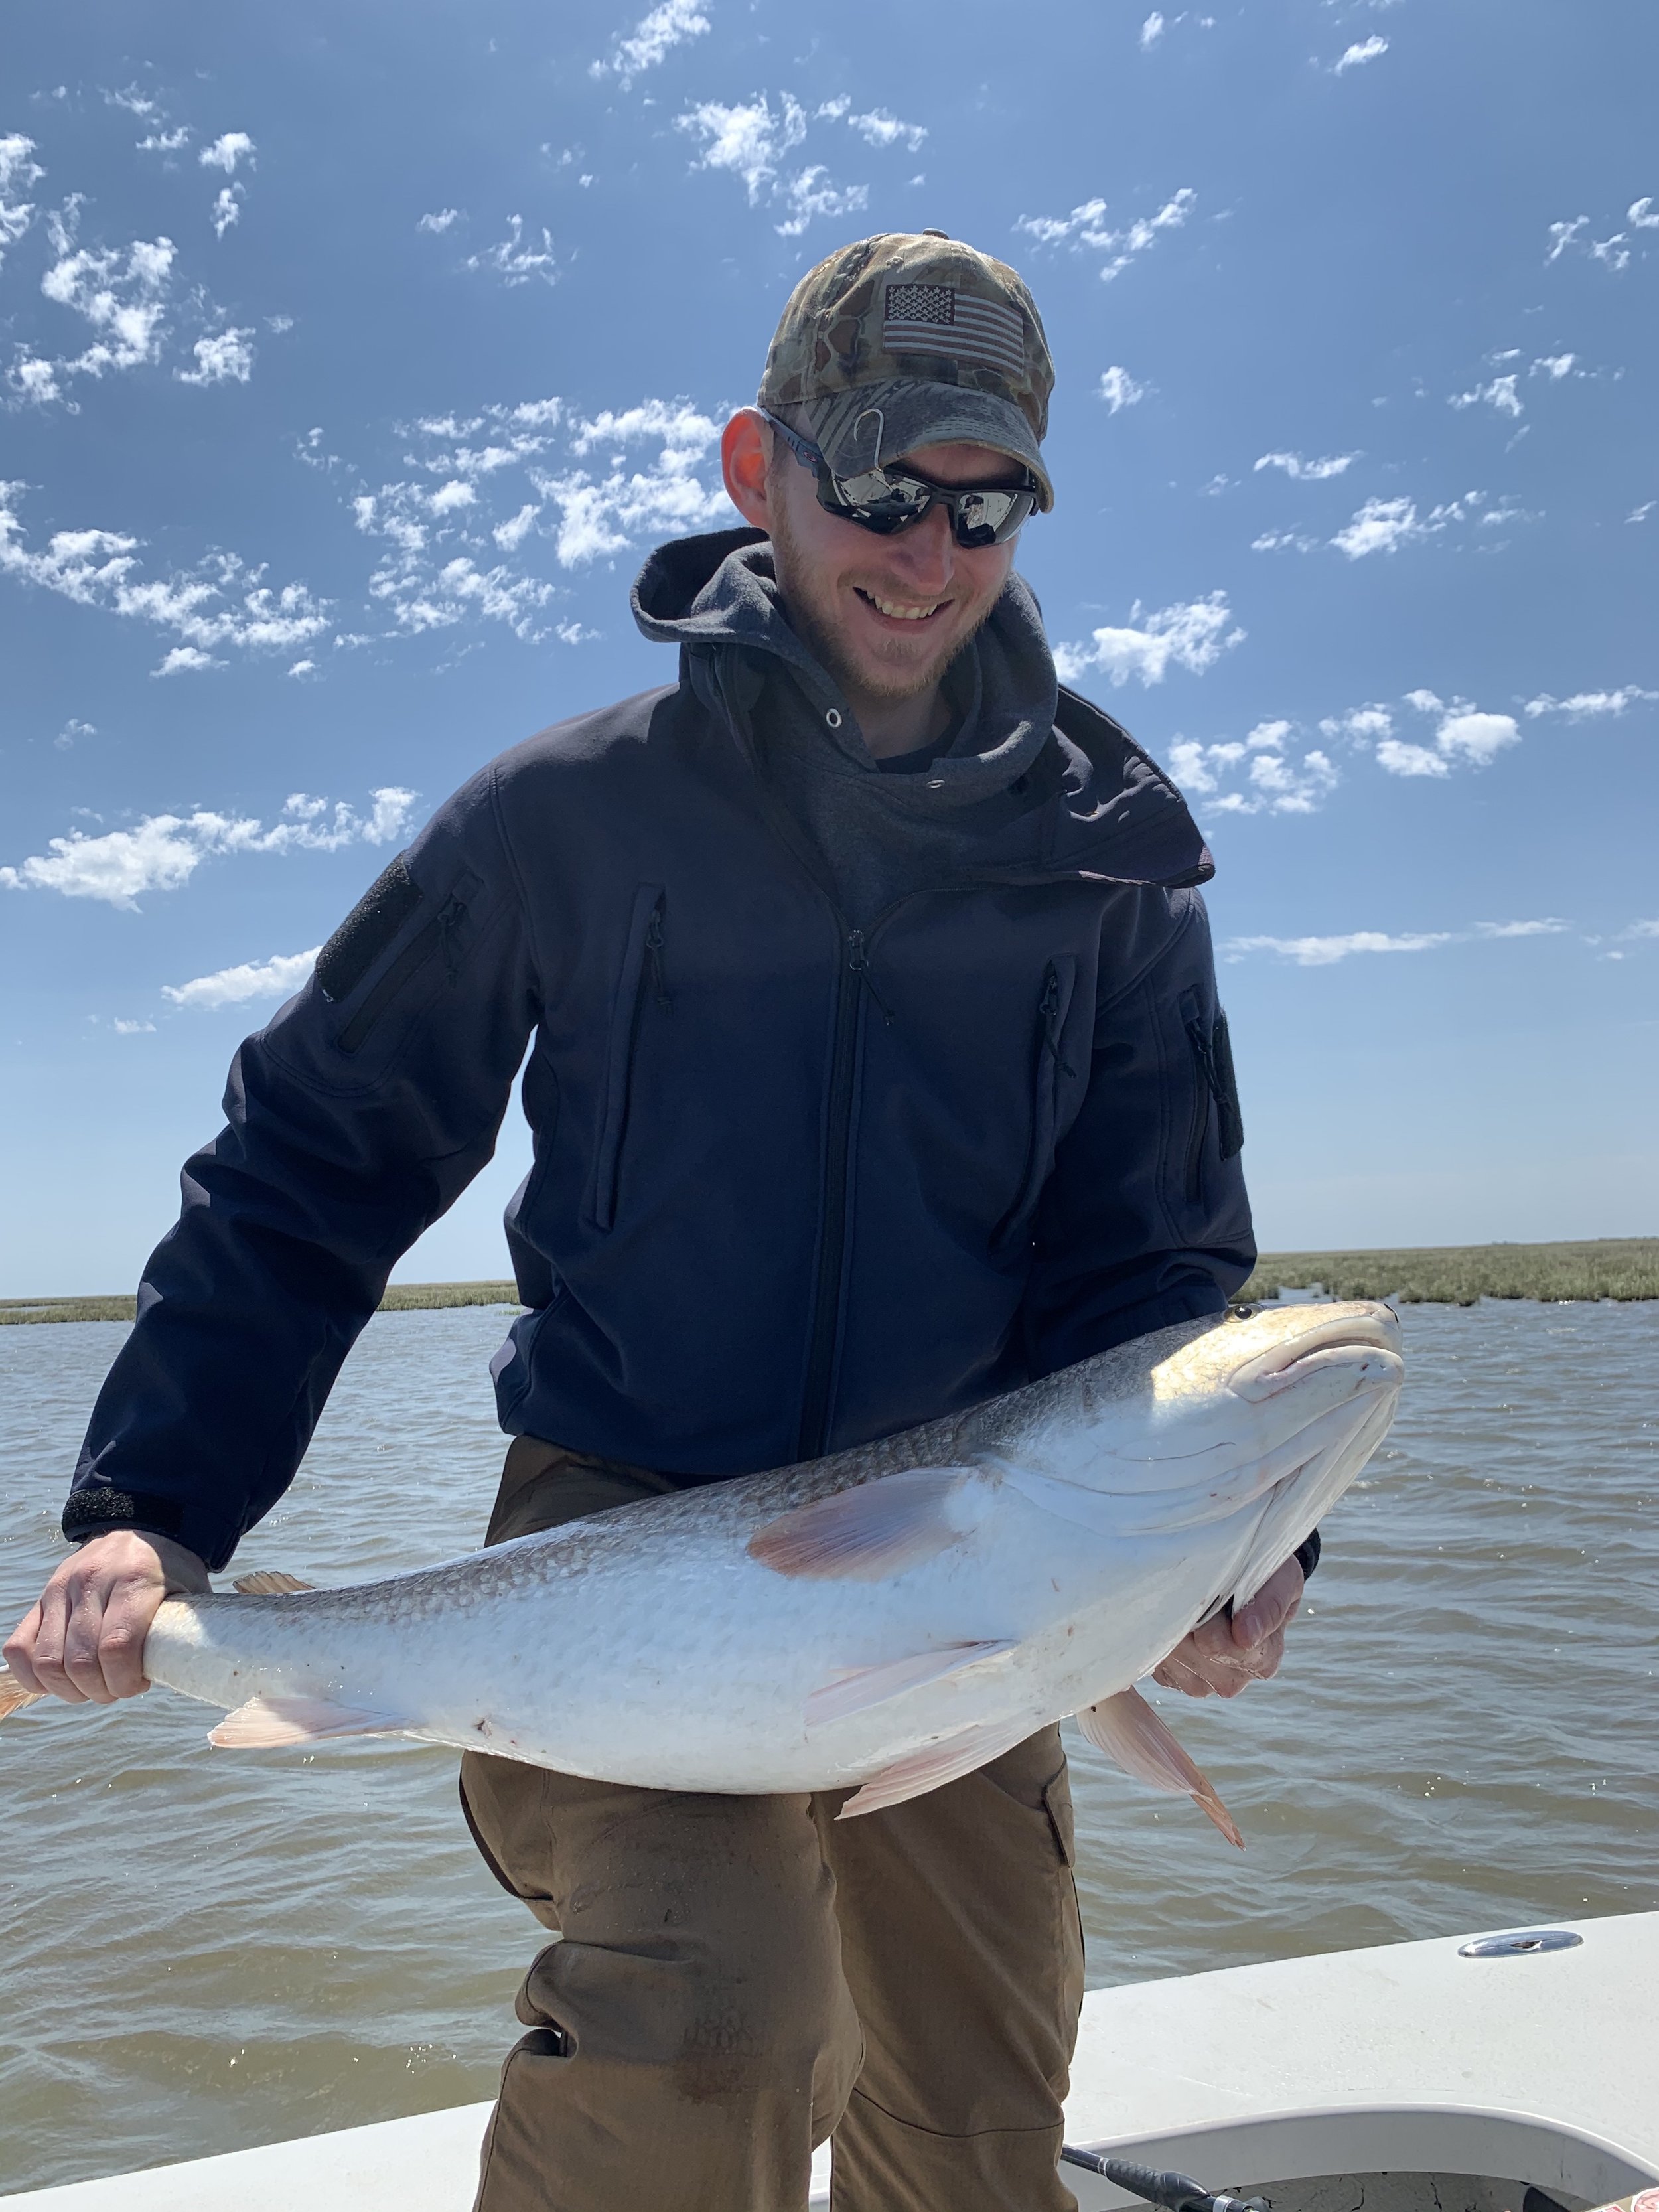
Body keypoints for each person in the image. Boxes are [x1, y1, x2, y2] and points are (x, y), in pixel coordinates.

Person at [6, 232, 1311, 2211]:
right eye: (879, 488)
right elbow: (313, 1162)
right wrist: (149, 1505)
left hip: (980, 1553)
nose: (928, 549)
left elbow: (1156, 1266)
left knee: (973, 2105)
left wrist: (1244, 1537)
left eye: (987, 504)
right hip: (612, 1525)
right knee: (707, 2017)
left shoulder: (1107, 864)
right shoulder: (565, 820)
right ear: (750, 472)